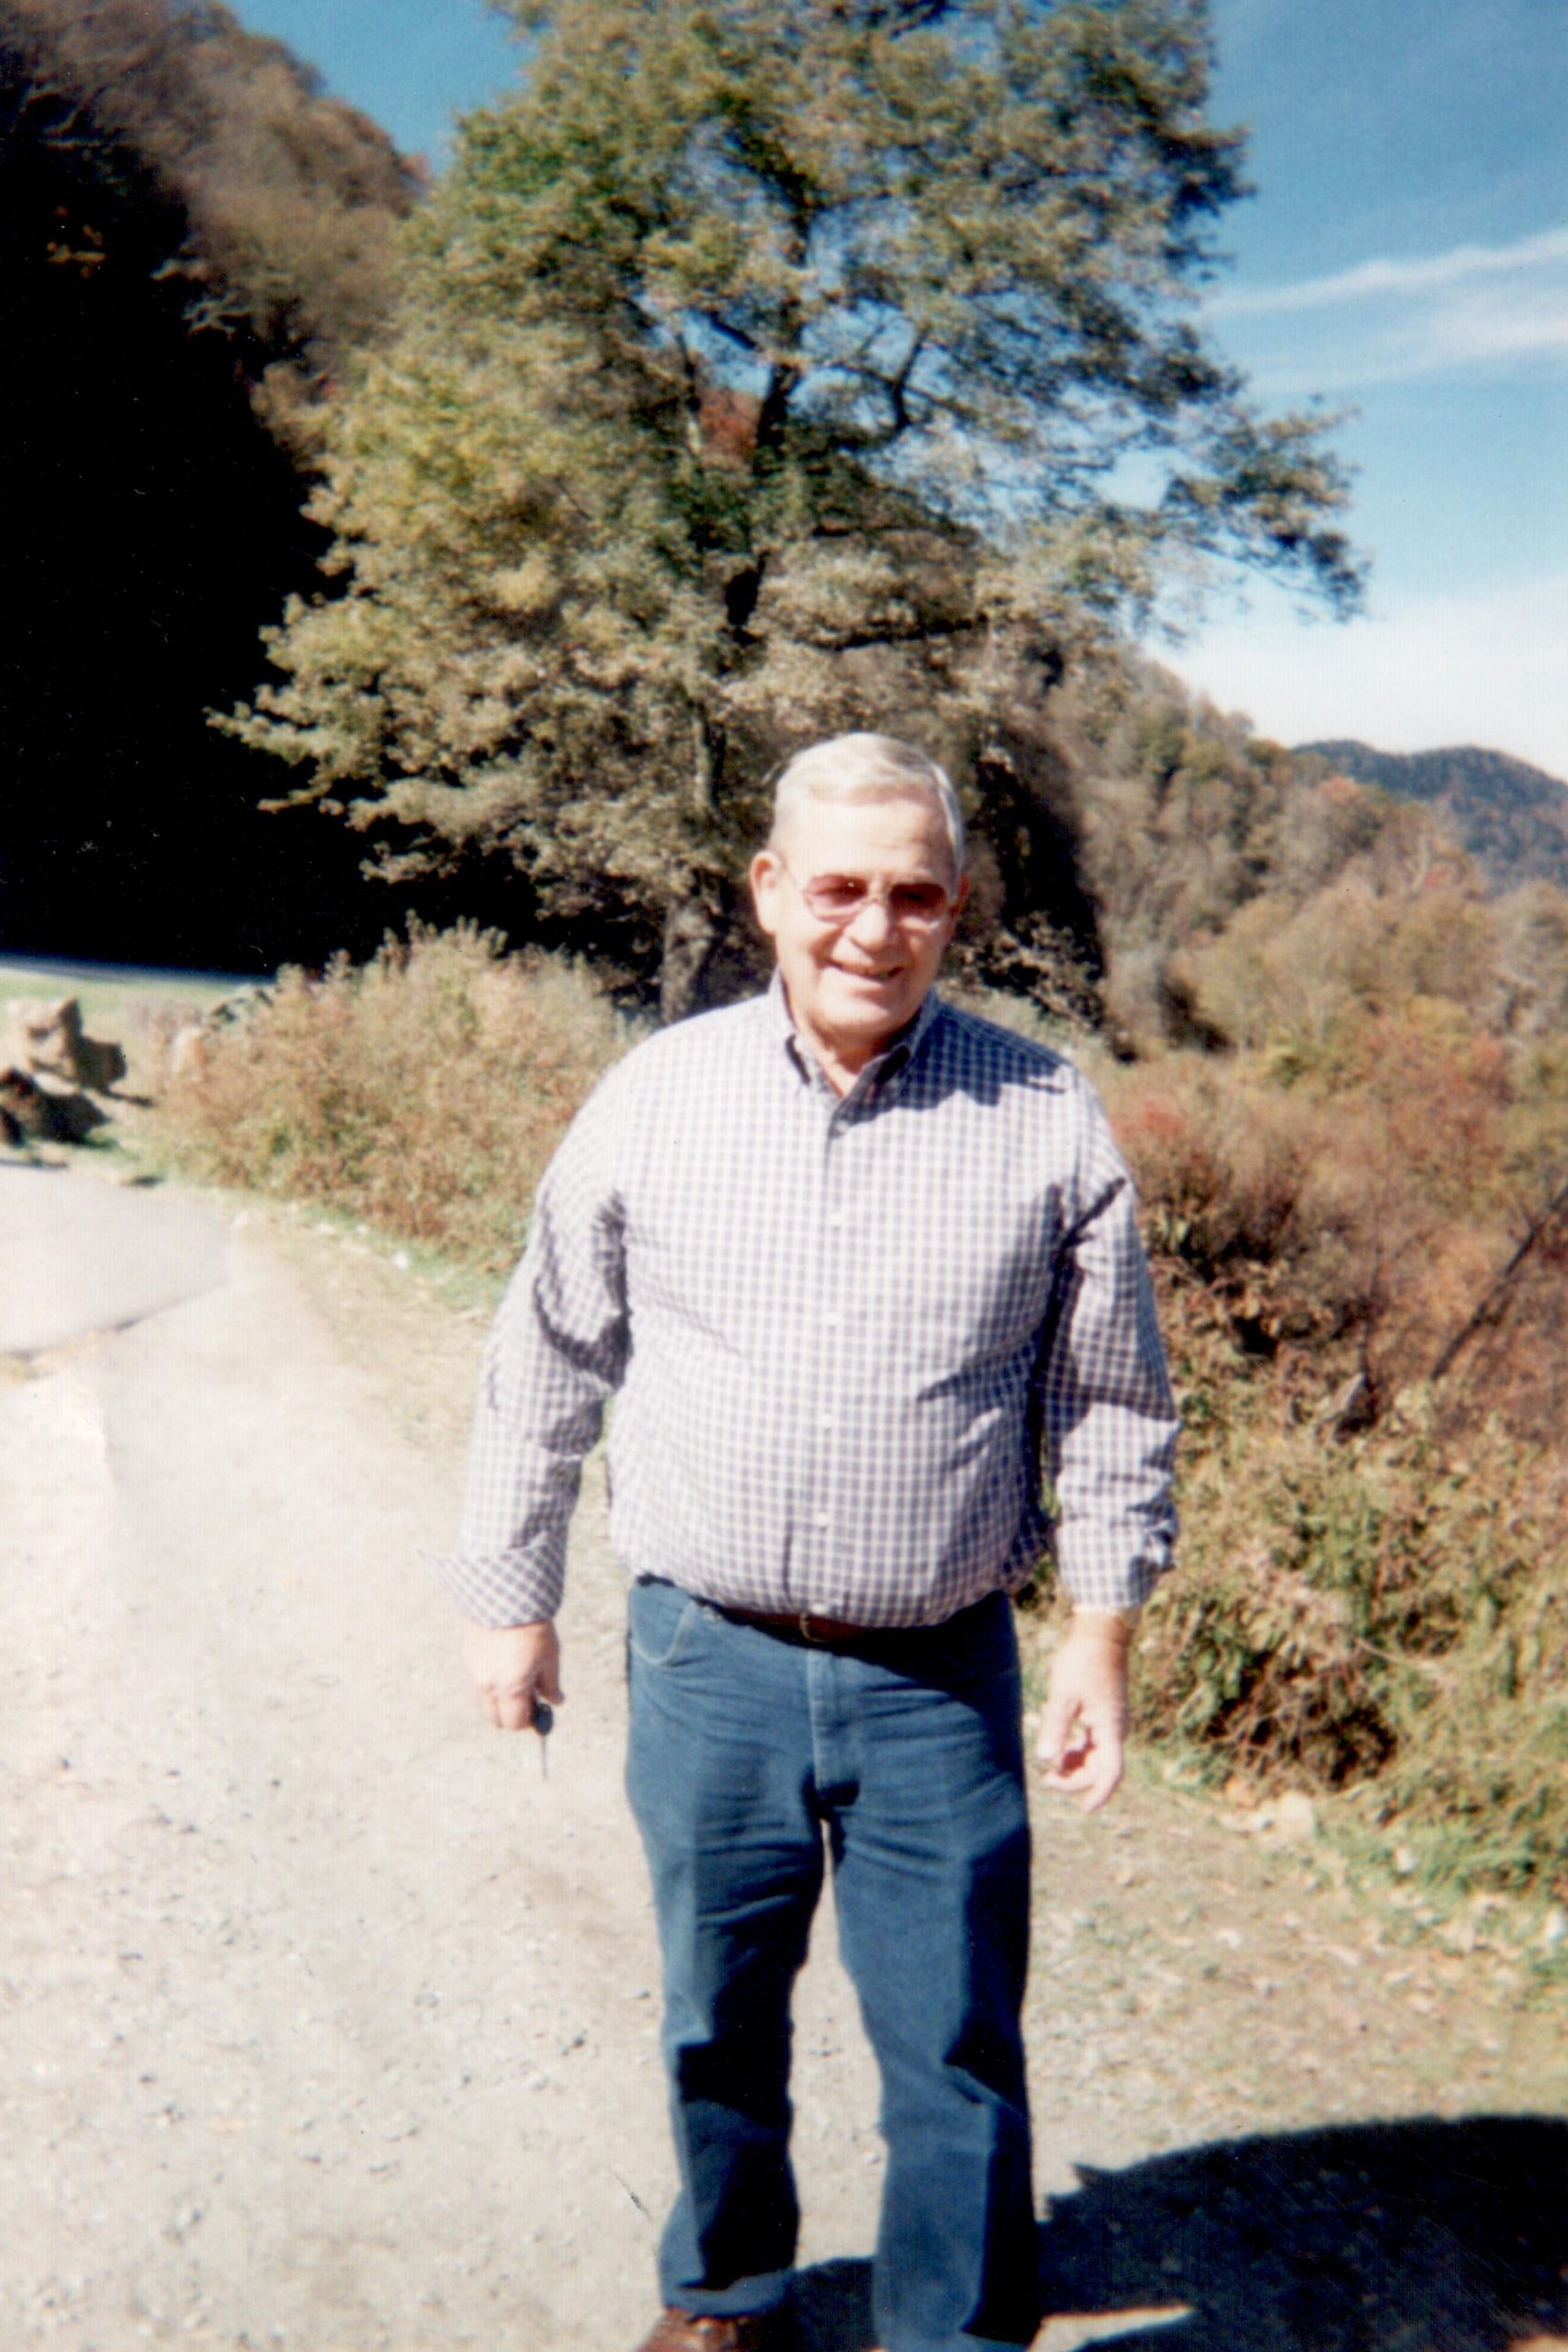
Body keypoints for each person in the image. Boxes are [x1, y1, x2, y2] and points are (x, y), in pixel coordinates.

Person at [436, 733, 1179, 2352]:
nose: (874, 928)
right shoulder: (657, 1096)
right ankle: (726, 2292)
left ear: (955, 907)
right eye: (839, 887)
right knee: (716, 2013)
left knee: (957, 2044)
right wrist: (512, 1595)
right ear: (769, 891)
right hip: (707, 1660)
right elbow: (548, 1351)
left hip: (939, 1683)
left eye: (915, 894)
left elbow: (1114, 1403)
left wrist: (1099, 1636)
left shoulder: (1044, 1114)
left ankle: (952, 2334)